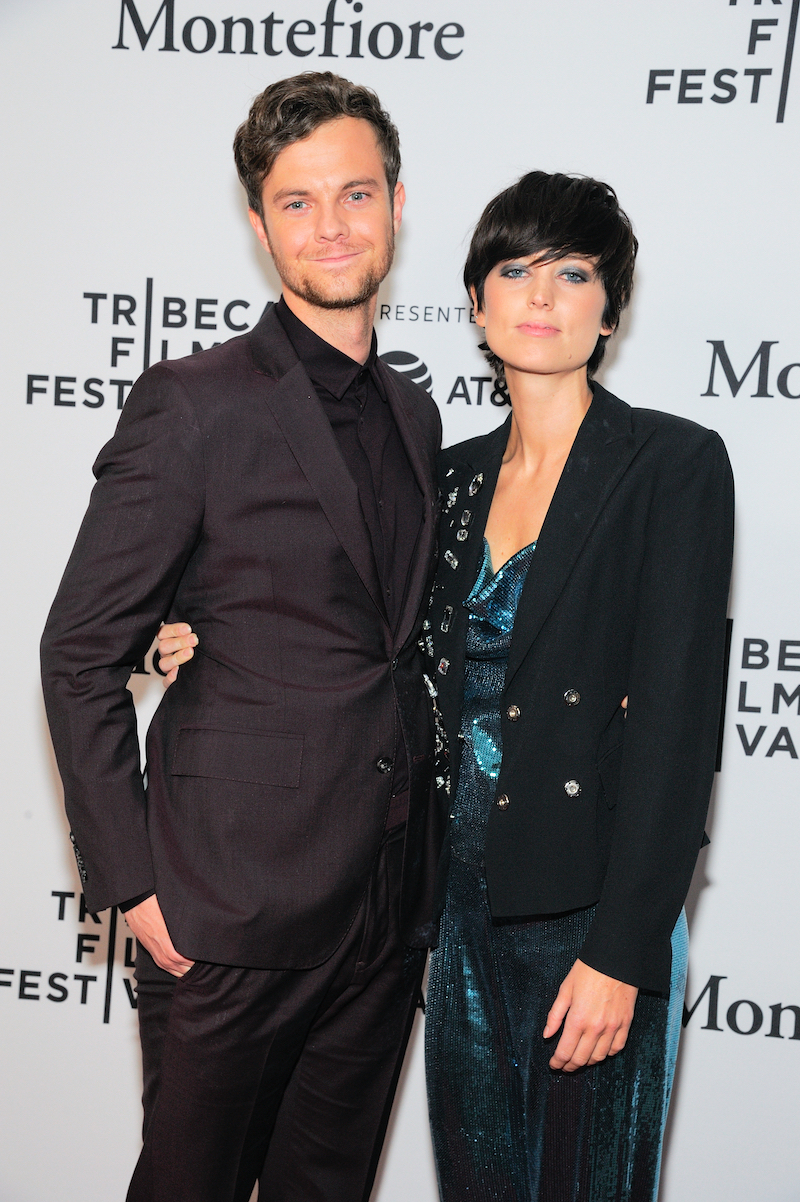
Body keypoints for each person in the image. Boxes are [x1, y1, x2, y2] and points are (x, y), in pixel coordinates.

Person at [40, 72, 444, 1202]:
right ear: (259, 222)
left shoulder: (416, 414)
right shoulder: (195, 403)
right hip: (225, 902)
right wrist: (133, 883)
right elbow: (77, 651)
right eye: (299, 201)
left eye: (355, 194)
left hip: (381, 898)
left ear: (397, 205)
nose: (332, 226)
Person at [419, 171, 734, 1200]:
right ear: (475, 302)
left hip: (588, 909)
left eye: (572, 271)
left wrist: (621, 947)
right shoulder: (447, 477)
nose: (540, 293)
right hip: (457, 910)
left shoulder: (670, 465)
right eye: (513, 269)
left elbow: (675, 724)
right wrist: (186, 633)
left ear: (611, 306)